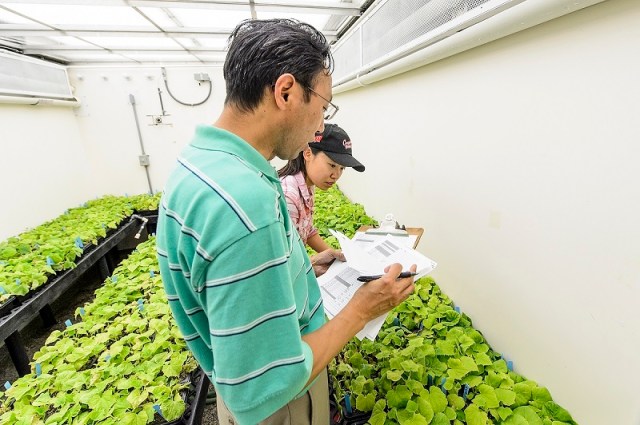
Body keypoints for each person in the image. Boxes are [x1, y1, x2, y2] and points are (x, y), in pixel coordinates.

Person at [156, 18, 415, 425]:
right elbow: (263, 385)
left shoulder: (198, 163)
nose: (319, 126)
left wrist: (298, 267)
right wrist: (362, 310)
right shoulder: (245, 202)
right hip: (281, 406)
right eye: (323, 106)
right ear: (286, 91)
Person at [278, 123, 365, 254]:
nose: (336, 175)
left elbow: (307, 231)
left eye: (342, 168)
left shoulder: (307, 185)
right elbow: (285, 258)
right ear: (307, 153)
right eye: (332, 165)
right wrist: (316, 262)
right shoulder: (289, 195)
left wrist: (336, 255)